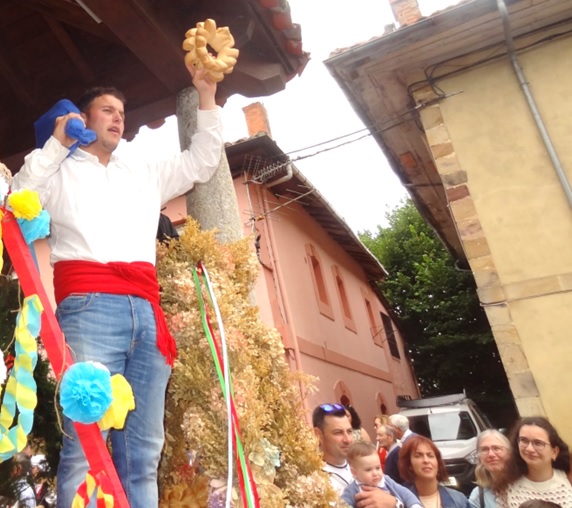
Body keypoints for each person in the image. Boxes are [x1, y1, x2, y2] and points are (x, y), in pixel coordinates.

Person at [12, 60, 223, 508]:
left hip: (147, 310)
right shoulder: (59, 170)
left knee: (145, 450)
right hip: (90, 308)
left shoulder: (142, 167)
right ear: (83, 120)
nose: (117, 117)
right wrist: (56, 144)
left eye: (121, 112)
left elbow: (202, 161)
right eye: (106, 110)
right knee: (84, 447)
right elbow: (17, 199)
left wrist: (206, 95)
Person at [312, 403, 405, 508]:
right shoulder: (313, 480)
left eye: (349, 431)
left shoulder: (367, 465)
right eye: (338, 433)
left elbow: (409, 499)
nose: (347, 439)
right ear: (318, 434)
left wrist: (395, 503)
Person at [497, 417, 572, 508]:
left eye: (538, 443)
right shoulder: (508, 487)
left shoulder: (568, 480)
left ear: (554, 452)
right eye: (524, 440)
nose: (529, 449)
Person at [341, 441, 423, 508]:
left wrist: (414, 505)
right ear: (354, 472)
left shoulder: (386, 480)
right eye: (368, 470)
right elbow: (343, 504)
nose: (375, 473)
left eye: (378, 468)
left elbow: (405, 494)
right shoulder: (352, 489)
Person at [398, 434, 469, 508]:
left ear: (437, 462)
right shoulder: (401, 503)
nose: (426, 460)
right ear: (409, 465)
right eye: (418, 456)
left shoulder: (459, 500)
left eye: (430, 455)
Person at [469, 430, 511, 508]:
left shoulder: (526, 485)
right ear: (479, 457)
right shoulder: (478, 497)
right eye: (484, 449)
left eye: (496, 448)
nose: (491, 454)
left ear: (509, 453)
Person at [385, 414, 416, 484]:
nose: (388, 431)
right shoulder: (410, 439)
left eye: (389, 427)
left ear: (395, 428)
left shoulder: (411, 441)